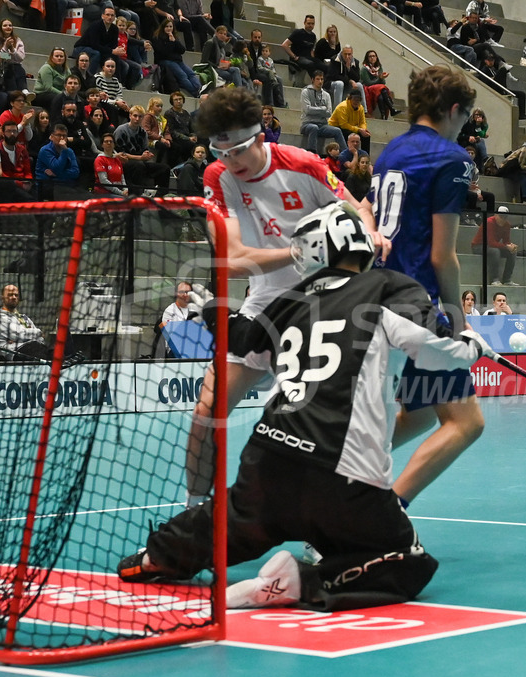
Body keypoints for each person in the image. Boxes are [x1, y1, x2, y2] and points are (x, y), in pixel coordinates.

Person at [117, 201, 493, 612]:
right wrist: (471, 345)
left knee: (228, 518)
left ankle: (155, 557)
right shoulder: (387, 285)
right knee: (407, 562)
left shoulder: (288, 301)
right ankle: (301, 582)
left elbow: (242, 339)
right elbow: (435, 350)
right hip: (343, 476)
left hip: (266, 462)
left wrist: (211, 309)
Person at [180, 86, 381, 510]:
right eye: (222, 154)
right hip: (263, 304)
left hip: (321, 306)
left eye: (237, 151)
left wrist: (371, 232)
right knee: (205, 416)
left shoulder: (303, 165)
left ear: (259, 137)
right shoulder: (219, 177)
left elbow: (356, 211)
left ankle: (324, 524)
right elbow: (232, 261)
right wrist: (296, 252)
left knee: (314, 429)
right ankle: (193, 516)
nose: (231, 162)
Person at [371, 64, 486, 507]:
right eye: (467, 117)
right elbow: (443, 256)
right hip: (414, 303)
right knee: (466, 422)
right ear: (455, 110)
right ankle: (383, 513)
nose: (466, 128)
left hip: (376, 296)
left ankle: (345, 483)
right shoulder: (452, 159)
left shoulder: (390, 152)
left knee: (418, 415)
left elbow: (367, 209)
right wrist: (458, 320)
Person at [114, 105, 171, 193]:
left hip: (140, 161)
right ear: (130, 116)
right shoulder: (121, 130)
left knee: (165, 168)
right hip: (124, 162)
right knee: (139, 165)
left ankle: (160, 195)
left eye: (140, 117)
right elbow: (120, 154)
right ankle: (138, 194)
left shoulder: (143, 132)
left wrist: (147, 154)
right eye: (135, 116)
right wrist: (140, 158)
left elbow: (145, 149)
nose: (137, 119)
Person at [0, 284, 52, 361]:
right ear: (2, 298)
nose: (14, 297)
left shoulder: (24, 318)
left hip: (35, 347)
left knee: (56, 354)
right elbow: (17, 334)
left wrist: (23, 337)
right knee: (44, 358)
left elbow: (41, 339)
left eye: (16, 295)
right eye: (10, 295)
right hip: (16, 351)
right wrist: (38, 332)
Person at [151, 18, 203, 97]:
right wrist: (171, 43)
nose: (169, 28)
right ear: (163, 27)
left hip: (177, 61)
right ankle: (195, 93)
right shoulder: (157, 38)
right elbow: (163, 52)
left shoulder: (174, 37)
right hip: (165, 61)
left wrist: (175, 41)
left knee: (191, 73)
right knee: (182, 75)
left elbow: (182, 50)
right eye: (167, 26)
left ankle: (199, 89)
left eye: (171, 27)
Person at [300, 71, 345, 155]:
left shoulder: (326, 95)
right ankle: (311, 153)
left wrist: (316, 110)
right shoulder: (305, 92)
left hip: (322, 125)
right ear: (312, 80)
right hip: (308, 124)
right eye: (317, 79)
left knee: (337, 130)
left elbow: (329, 113)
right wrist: (322, 109)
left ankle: (345, 154)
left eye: (322, 79)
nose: (320, 81)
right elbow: (307, 110)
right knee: (314, 128)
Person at [35, 124, 83, 200]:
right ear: (52, 136)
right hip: (48, 185)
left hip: (65, 185)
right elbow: (56, 167)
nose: (61, 138)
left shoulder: (69, 151)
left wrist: (56, 174)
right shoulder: (45, 150)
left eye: (64, 136)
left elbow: (75, 172)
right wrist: (64, 150)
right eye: (58, 135)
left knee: (85, 196)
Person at [472, 205, 517, 286]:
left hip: (491, 245)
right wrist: (506, 246)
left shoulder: (507, 225)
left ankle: (507, 279)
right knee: (495, 251)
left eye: (505, 217)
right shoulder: (489, 222)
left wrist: (511, 246)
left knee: (512, 252)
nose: (502, 219)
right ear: (495, 215)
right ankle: (494, 279)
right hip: (478, 246)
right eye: (501, 216)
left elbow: (506, 240)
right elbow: (491, 242)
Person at [495, 137, 526, 204]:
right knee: (524, 174)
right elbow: (522, 165)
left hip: (516, 168)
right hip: (508, 168)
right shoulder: (525, 150)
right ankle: (525, 198)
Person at [281, 14, 325, 83]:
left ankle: (326, 84)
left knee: (323, 65)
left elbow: (311, 51)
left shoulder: (313, 36)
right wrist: (294, 57)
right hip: (298, 57)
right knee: (310, 64)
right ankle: (316, 83)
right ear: (304, 23)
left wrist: (315, 60)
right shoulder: (298, 32)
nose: (311, 25)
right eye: (309, 23)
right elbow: (284, 45)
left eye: (312, 24)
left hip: (307, 57)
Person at [359, 50, 399, 119]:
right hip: (368, 88)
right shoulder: (364, 69)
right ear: (367, 58)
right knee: (382, 88)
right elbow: (368, 82)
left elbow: (383, 82)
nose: (372, 58)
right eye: (370, 56)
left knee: (381, 95)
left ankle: (383, 114)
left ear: (376, 57)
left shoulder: (379, 68)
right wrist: (379, 79)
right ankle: (391, 108)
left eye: (374, 56)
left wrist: (382, 78)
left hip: (378, 89)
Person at [34, 47, 70, 112]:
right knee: (57, 99)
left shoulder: (67, 70)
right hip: (42, 94)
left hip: (59, 94)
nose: (59, 58)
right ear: (52, 57)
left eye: (61, 56)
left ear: (65, 58)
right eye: (57, 56)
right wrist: (63, 94)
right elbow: (48, 88)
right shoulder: (47, 68)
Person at [463, 144, 494, 215]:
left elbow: (475, 184)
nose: (470, 155)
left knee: (490, 196)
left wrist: (478, 193)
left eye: (472, 153)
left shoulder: (475, 169)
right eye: (468, 153)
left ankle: (489, 218)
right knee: (473, 196)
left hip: (471, 190)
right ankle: (470, 217)